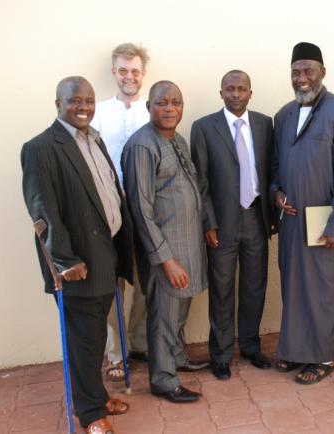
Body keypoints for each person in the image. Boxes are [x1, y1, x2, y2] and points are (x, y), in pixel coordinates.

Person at [21, 76, 134, 433]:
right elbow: (42, 211)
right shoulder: (41, 148)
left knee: (95, 336)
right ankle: (90, 415)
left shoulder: (93, 140)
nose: (83, 106)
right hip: (77, 266)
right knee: (84, 340)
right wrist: (65, 261)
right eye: (75, 101)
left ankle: (95, 397)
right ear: (58, 104)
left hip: (105, 256)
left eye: (88, 100)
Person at [271, 42, 334, 385]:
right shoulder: (284, 116)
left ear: (322, 72)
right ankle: (297, 351)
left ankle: (324, 356)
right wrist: (276, 195)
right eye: (296, 72)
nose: (302, 78)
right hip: (293, 220)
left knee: (325, 289)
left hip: (326, 221)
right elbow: (276, 168)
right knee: (294, 287)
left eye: (309, 71)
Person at [121, 81, 206, 403]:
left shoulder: (178, 141)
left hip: (187, 245)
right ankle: (163, 379)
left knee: (179, 311)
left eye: (176, 103)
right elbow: (140, 211)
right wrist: (165, 259)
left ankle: (177, 359)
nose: (169, 109)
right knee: (164, 316)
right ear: (149, 107)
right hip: (165, 251)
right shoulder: (142, 146)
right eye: (161, 103)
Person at [190, 70, 274, 380]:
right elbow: (200, 181)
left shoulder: (265, 124)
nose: (236, 94)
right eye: (230, 89)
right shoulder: (203, 127)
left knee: (254, 285)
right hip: (221, 223)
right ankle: (221, 354)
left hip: (255, 217)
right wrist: (207, 223)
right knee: (222, 289)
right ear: (221, 92)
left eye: (241, 89)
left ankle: (251, 346)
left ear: (250, 93)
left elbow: (271, 167)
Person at [91, 42, 150, 381]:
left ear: (143, 74)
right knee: (114, 284)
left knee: (146, 280)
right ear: (114, 72)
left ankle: (140, 344)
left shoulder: (152, 110)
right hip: (109, 212)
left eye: (135, 71)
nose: (129, 76)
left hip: (145, 212)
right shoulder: (97, 111)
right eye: (123, 70)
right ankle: (116, 354)